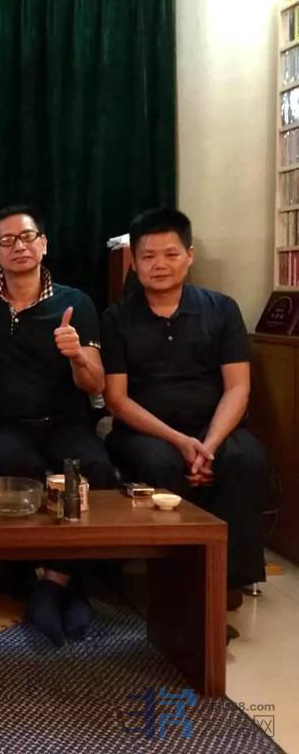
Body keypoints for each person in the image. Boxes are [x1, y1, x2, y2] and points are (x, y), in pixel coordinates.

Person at [0, 204, 117, 645]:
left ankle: (55, 584)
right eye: (7, 241)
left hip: (66, 422)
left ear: (43, 244)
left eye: (27, 237)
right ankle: (58, 584)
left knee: (94, 469)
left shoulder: (75, 303)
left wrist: (76, 354)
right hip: (5, 424)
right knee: (11, 465)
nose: (18, 247)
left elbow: (95, 383)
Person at [101, 207, 267, 610]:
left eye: (171, 254)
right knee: (161, 464)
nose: (159, 264)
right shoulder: (117, 318)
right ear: (134, 262)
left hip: (214, 427)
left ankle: (227, 581)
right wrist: (179, 441)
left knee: (247, 459)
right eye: (148, 256)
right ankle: (172, 581)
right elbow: (117, 399)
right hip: (145, 432)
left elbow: (238, 387)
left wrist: (208, 445)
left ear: (189, 256)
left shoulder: (221, 309)